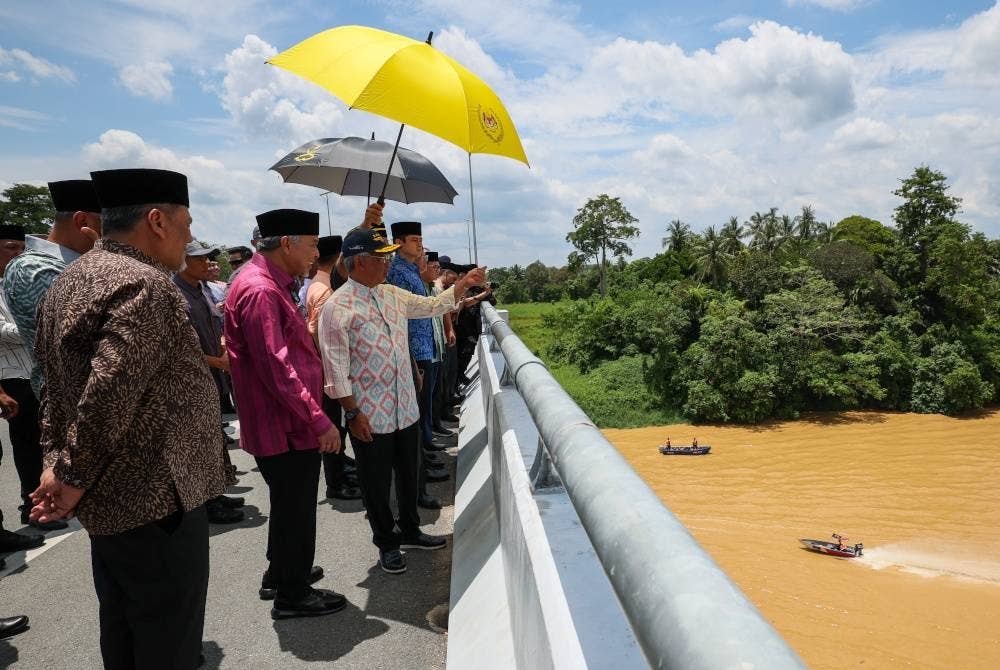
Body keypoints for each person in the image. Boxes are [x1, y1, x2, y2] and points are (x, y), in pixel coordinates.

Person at [29, 168, 227, 669]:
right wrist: (69, 475)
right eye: (185, 224)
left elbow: (54, 387)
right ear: (157, 221)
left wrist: (57, 463)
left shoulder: (70, 280)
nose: (188, 237)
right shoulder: (143, 285)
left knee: (123, 623)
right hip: (157, 494)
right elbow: (107, 395)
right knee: (167, 635)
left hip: (111, 498)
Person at [319, 226, 486, 574]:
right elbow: (335, 372)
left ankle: (410, 529)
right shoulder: (337, 308)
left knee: (409, 474)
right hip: (369, 415)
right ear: (360, 262)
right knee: (376, 483)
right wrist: (352, 413)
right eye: (383, 258)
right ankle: (387, 543)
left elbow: (432, 306)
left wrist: (463, 284)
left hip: (405, 408)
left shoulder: (392, 294)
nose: (389, 263)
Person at [225, 208, 345, 619]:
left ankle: (281, 572)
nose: (316, 254)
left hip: (283, 420)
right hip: (287, 423)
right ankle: (293, 595)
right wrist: (319, 418)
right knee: (296, 508)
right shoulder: (260, 290)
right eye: (312, 244)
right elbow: (278, 368)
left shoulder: (270, 284)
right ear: (288, 242)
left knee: (288, 503)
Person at [3, 179, 101, 396]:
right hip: (68, 405)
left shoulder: (74, 263)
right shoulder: (33, 268)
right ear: (83, 221)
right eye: (111, 226)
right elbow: (87, 339)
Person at [173, 241, 245, 524]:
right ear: (183, 261)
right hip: (193, 379)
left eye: (207, 259)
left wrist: (224, 343)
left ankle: (216, 492)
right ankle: (206, 502)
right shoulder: (174, 293)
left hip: (213, 374)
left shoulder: (202, 289)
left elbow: (216, 325)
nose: (206, 264)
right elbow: (179, 347)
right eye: (199, 259)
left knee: (214, 437)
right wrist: (216, 361)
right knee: (199, 442)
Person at [0, 223, 58, 547]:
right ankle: (32, 506)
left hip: (36, 371)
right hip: (12, 378)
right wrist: (32, 322)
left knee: (45, 442)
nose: (18, 254)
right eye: (10, 248)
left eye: (21, 248)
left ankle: (49, 501)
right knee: (25, 446)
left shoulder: (20, 281)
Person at [386, 223, 449, 504]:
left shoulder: (412, 270)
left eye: (421, 239)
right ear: (398, 242)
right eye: (414, 240)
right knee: (413, 418)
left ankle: (422, 468)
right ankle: (416, 482)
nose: (420, 245)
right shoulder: (396, 272)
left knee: (422, 410)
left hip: (425, 348)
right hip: (412, 351)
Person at [304, 234, 361, 502]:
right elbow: (318, 330)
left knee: (337, 427)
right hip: (329, 370)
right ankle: (336, 483)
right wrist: (331, 365)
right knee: (336, 428)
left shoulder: (317, 284)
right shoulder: (326, 290)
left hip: (324, 367)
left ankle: (338, 476)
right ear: (340, 258)